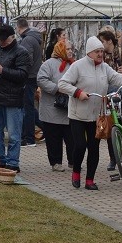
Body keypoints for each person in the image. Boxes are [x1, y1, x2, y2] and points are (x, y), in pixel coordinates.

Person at [58, 36, 122, 190]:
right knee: (80, 145)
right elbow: (62, 84)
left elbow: (116, 77)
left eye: (102, 51)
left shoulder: (104, 67)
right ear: (89, 53)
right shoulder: (78, 66)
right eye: (97, 52)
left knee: (94, 148)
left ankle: (90, 180)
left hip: (96, 115)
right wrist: (78, 92)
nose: (101, 54)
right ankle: (76, 172)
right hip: (78, 114)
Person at [0, 23, 32, 171]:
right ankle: (0, 160)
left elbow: (22, 75)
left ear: (12, 37)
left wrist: (1, 70)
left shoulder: (21, 52)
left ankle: (13, 163)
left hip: (13, 99)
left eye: (4, 39)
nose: (1, 42)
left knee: (14, 135)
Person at [36, 38, 75, 172]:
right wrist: (57, 88)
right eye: (67, 49)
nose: (70, 51)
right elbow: (41, 80)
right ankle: (56, 162)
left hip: (69, 109)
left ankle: (73, 161)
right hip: (51, 109)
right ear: (60, 50)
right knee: (53, 138)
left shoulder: (74, 64)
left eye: (71, 49)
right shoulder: (49, 64)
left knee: (72, 138)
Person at [98, 27, 122, 170]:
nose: (100, 45)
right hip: (107, 95)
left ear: (108, 41)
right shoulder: (99, 55)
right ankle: (113, 158)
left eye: (102, 42)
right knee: (110, 125)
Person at [16, 16, 44, 147]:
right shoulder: (34, 38)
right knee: (29, 106)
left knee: (27, 108)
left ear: (18, 28)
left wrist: (19, 72)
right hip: (33, 75)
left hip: (28, 77)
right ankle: (41, 130)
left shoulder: (27, 40)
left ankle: (28, 138)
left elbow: (27, 60)